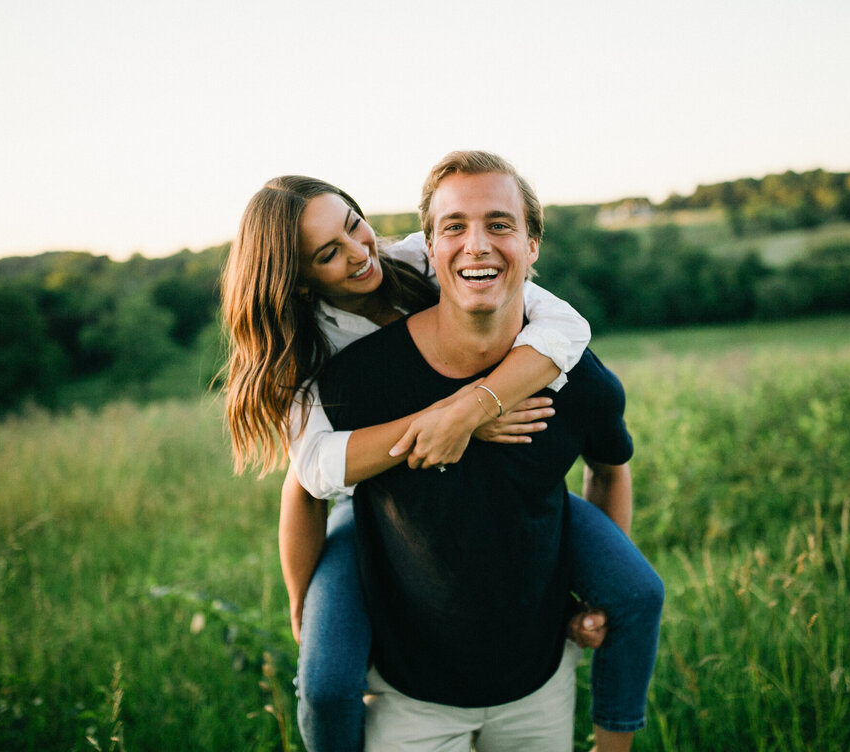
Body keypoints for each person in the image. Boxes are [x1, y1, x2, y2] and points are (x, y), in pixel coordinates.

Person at [221, 170, 662, 751]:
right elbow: (313, 475)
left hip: (507, 480)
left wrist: (477, 404)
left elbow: (565, 326)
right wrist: (451, 420)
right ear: (299, 281)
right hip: (375, 495)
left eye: (357, 227)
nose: (360, 254)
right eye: (330, 254)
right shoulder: (309, 349)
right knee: (326, 679)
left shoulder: (424, 259)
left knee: (637, 592)